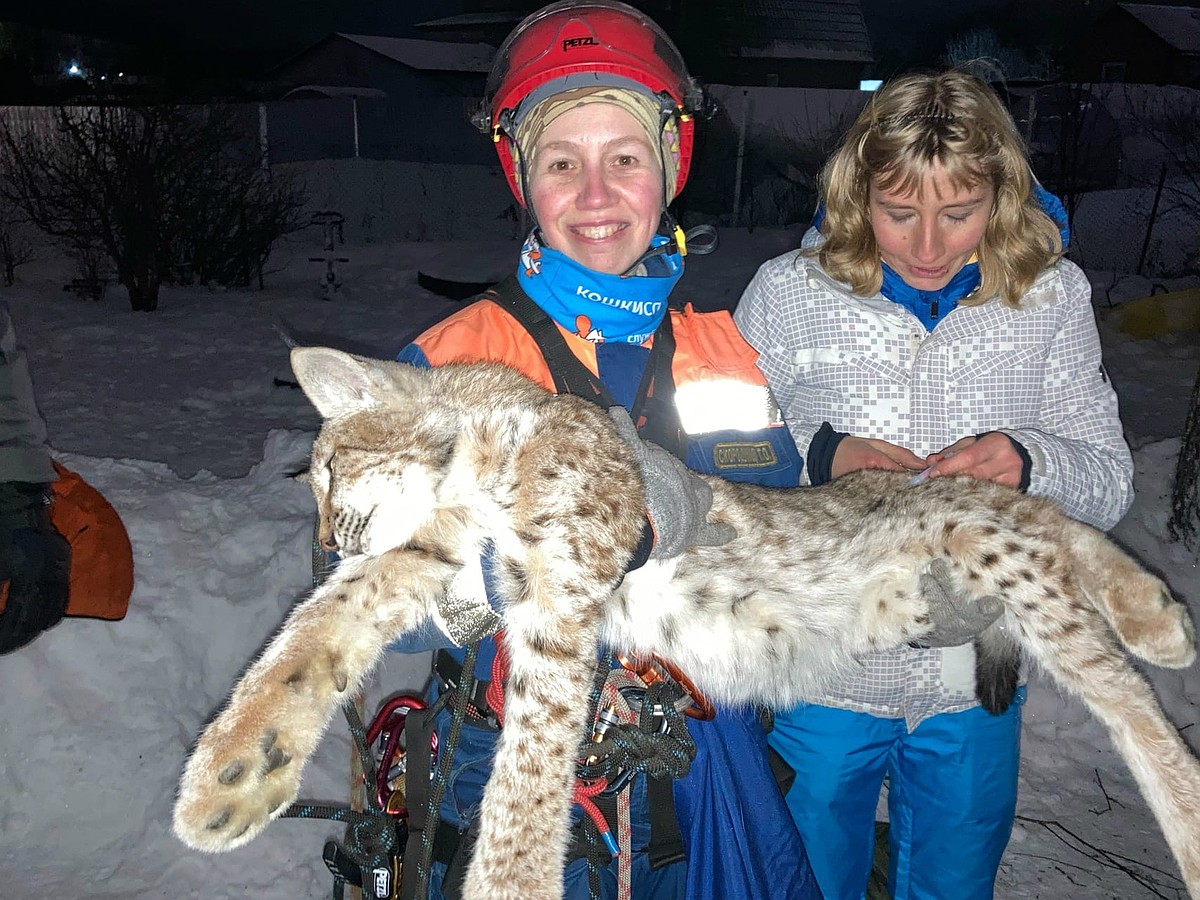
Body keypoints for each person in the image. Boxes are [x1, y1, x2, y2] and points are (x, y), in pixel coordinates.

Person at [383, 3, 828, 899]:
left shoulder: (724, 351)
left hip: (705, 772)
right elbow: (369, 585)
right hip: (515, 782)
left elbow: (782, 541)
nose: (595, 195)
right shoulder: (450, 361)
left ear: (669, 168)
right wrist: (556, 549)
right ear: (523, 180)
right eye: (562, 163)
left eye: (625, 159)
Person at [733, 69, 1135, 900]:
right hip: (820, 668)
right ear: (856, 193)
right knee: (798, 880)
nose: (925, 246)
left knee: (954, 884)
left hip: (975, 677)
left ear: (1003, 195)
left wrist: (1029, 460)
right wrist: (821, 455)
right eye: (897, 212)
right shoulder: (787, 294)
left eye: (958, 214)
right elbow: (719, 460)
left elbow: (1110, 480)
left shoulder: (1051, 298)